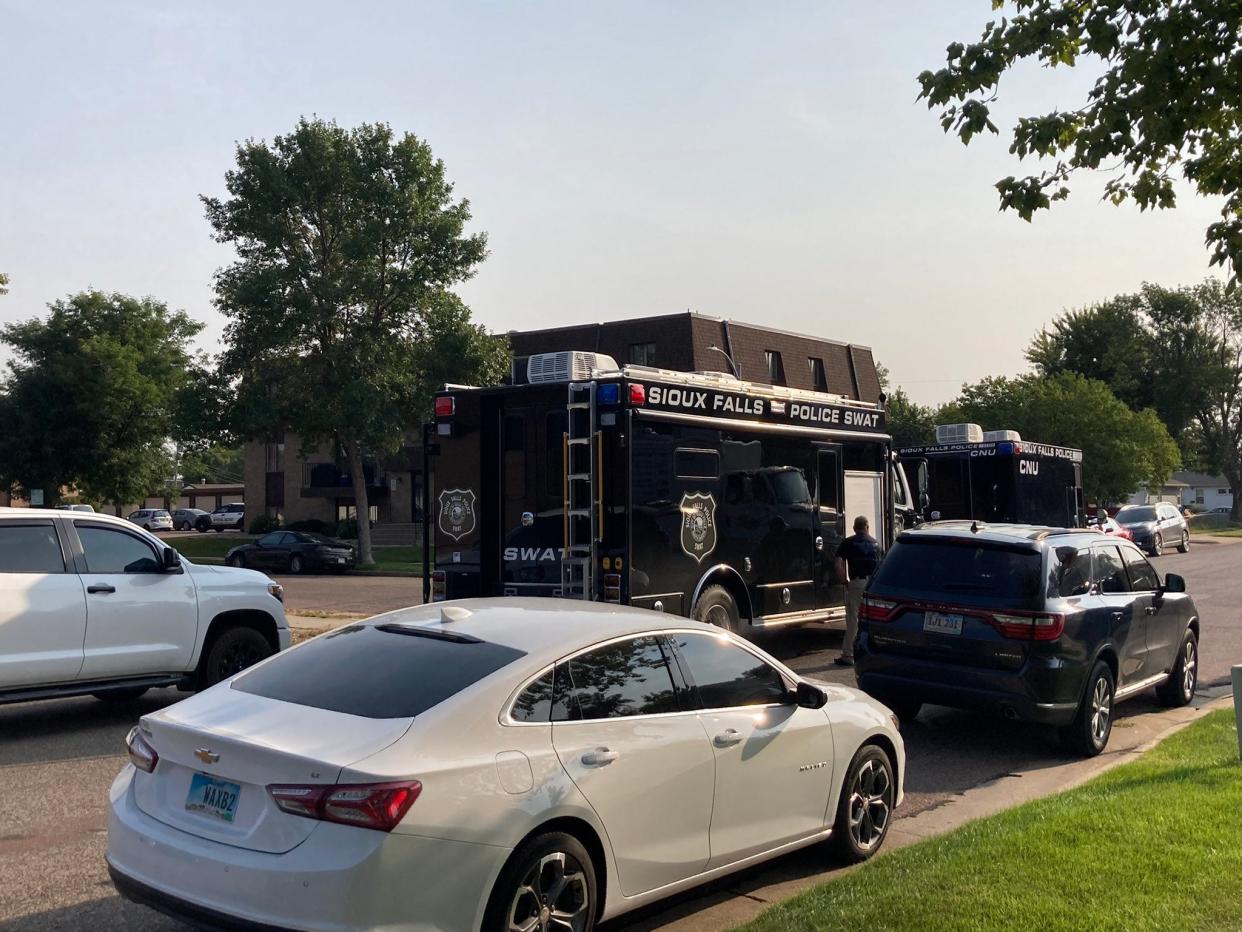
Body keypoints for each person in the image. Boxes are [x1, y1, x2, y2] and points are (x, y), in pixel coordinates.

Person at [834, 515, 880, 667]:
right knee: (873, 619)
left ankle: (848, 655)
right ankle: (874, 652)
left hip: (856, 583)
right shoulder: (876, 544)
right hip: (873, 585)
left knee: (853, 620)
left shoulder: (848, 543)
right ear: (867, 528)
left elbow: (838, 563)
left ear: (854, 528)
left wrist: (843, 581)